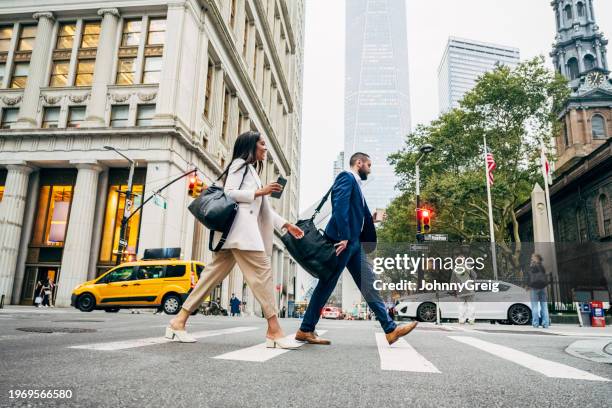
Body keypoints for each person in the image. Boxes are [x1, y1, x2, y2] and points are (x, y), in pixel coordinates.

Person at [166, 131, 304, 348]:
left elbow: (263, 209)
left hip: (236, 236)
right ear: (251, 146)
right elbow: (229, 193)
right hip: (241, 234)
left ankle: (178, 321)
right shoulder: (240, 164)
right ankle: (274, 331)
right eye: (262, 144)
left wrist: (285, 224)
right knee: (263, 276)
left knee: (209, 278)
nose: (265, 148)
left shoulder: (251, 170)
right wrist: (259, 192)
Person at [295, 152, 418, 346]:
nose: (369, 169)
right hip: (342, 242)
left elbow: (356, 214)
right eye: (368, 165)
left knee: (368, 283)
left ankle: (390, 330)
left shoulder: (357, 186)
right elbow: (339, 206)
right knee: (326, 284)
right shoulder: (346, 177)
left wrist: (372, 218)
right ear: (358, 163)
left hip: (354, 243)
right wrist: (343, 236)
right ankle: (305, 329)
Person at [450, 250, 477, 325]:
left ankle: (461, 320)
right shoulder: (468, 267)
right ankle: (471, 320)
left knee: (461, 305)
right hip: (469, 290)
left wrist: (453, 291)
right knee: (471, 305)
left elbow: (452, 281)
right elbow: (475, 276)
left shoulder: (454, 269)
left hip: (460, 290)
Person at [527, 253, 550, 328]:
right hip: (543, 287)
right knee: (544, 306)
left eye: (532, 257)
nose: (531, 258)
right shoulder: (542, 266)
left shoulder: (533, 266)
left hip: (534, 287)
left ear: (536, 258)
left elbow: (529, 276)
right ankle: (545, 323)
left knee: (535, 306)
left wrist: (528, 285)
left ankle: (535, 323)